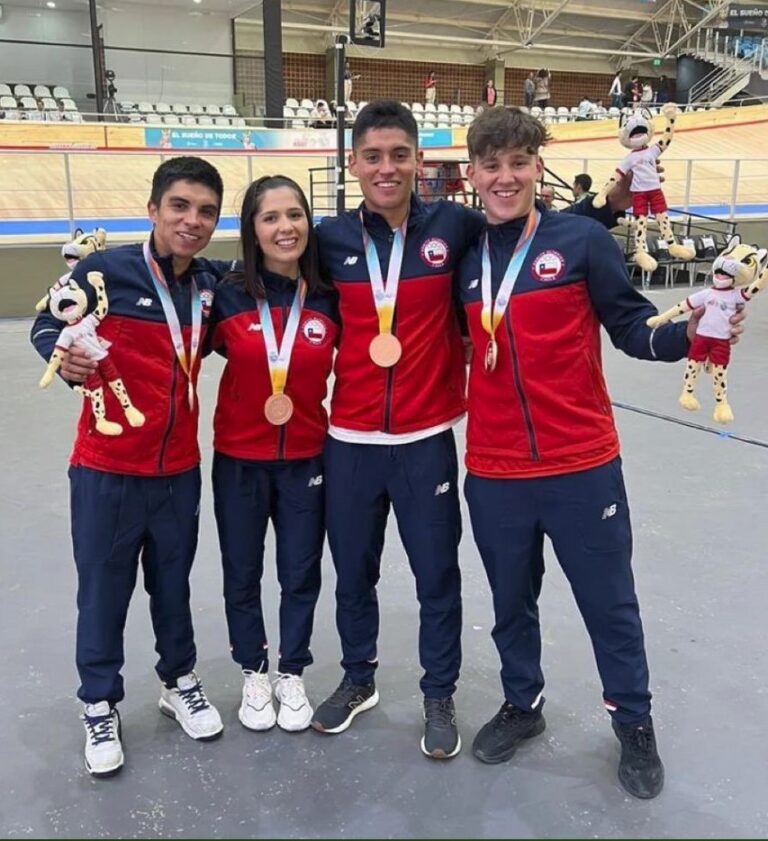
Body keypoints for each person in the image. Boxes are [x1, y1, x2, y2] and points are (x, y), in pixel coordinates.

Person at [308, 100, 630, 760]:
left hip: (428, 439)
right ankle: (358, 677)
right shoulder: (330, 240)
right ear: (354, 163)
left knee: (437, 580)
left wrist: (608, 211)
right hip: (350, 440)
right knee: (351, 576)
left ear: (422, 163)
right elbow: (272, 284)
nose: (387, 167)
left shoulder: (456, 227)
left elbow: (550, 234)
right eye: (373, 156)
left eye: (400, 154)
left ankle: (439, 694)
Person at [456, 106, 744, 800]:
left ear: (536, 167)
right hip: (494, 470)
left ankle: (633, 721)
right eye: (491, 165)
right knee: (510, 602)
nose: (505, 177)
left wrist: (698, 332)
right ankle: (523, 705)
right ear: (472, 175)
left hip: (581, 462)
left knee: (610, 604)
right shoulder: (463, 256)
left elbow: (633, 327)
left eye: (519, 163)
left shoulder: (582, 241)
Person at [30, 157, 226, 778]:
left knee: (174, 588)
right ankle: (98, 702)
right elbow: (45, 322)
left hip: (178, 471)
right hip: (106, 468)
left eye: (205, 212)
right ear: (153, 210)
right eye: (180, 206)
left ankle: (179, 681)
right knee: (104, 592)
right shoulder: (103, 272)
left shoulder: (208, 285)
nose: (191, 221)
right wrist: (63, 363)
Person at [208, 176, 339, 734]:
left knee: (300, 572)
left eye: (294, 215)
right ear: (252, 229)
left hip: (307, 457)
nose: (284, 227)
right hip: (238, 458)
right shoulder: (227, 294)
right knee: (241, 571)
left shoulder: (331, 296)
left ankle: (292, 672)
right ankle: (253, 670)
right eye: (270, 218)